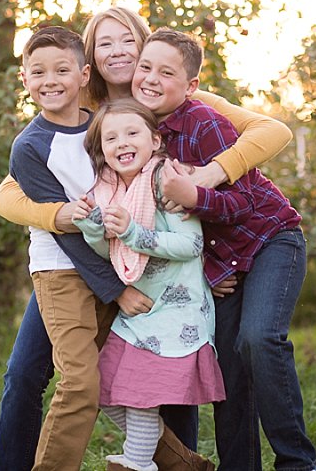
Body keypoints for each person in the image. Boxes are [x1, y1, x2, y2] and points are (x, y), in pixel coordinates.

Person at [0, 7, 294, 471]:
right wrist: (60, 215)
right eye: (104, 42)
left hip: (158, 261)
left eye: (127, 41)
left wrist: (209, 178)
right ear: (90, 57)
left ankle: (180, 464)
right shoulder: (80, 108)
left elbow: (272, 130)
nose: (118, 52)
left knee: (170, 367)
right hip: (77, 258)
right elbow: (7, 192)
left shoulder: (178, 97)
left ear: (144, 44)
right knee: (28, 371)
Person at [3, 24, 214, 471]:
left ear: (84, 75)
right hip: (65, 270)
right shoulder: (29, 147)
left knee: (118, 380)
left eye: (62, 69)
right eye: (38, 72)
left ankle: (182, 464)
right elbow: (58, 225)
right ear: (23, 80)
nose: (51, 80)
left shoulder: (106, 126)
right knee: (77, 383)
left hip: (120, 266)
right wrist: (115, 288)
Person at [132, 27, 316, 471]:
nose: (151, 78)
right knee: (227, 367)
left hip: (273, 239)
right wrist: (206, 268)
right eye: (145, 67)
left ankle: (297, 463)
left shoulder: (205, 122)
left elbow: (244, 203)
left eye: (166, 72)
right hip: (223, 264)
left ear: (192, 85)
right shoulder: (139, 133)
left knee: (258, 339)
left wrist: (196, 193)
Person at [73, 98, 225, 471]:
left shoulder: (166, 180)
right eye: (111, 138)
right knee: (103, 390)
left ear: (155, 141)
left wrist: (133, 231)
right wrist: (93, 224)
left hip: (174, 314)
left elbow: (191, 245)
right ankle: (183, 463)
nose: (121, 142)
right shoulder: (109, 189)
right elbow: (112, 249)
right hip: (140, 313)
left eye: (131, 133)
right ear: (101, 150)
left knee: (139, 400)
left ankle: (137, 463)